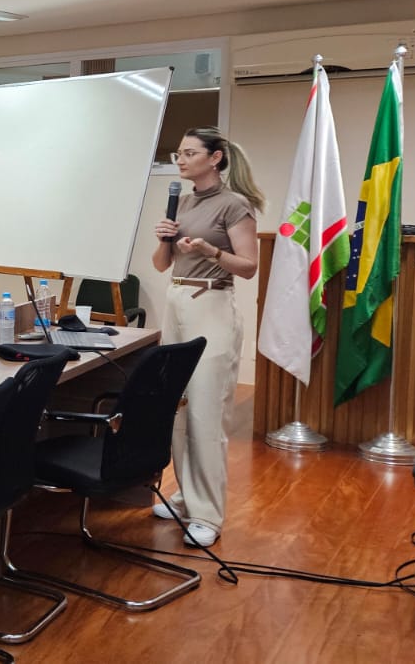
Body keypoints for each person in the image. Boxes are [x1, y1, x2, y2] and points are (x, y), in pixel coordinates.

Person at [150, 126, 264, 549]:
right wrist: (166, 239)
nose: (180, 159)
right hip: (177, 300)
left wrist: (210, 251)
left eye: (189, 152)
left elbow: (248, 266)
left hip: (211, 305)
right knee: (176, 409)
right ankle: (185, 495)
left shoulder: (235, 205)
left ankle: (207, 515)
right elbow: (162, 264)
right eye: (178, 153)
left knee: (205, 412)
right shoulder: (183, 201)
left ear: (215, 158)